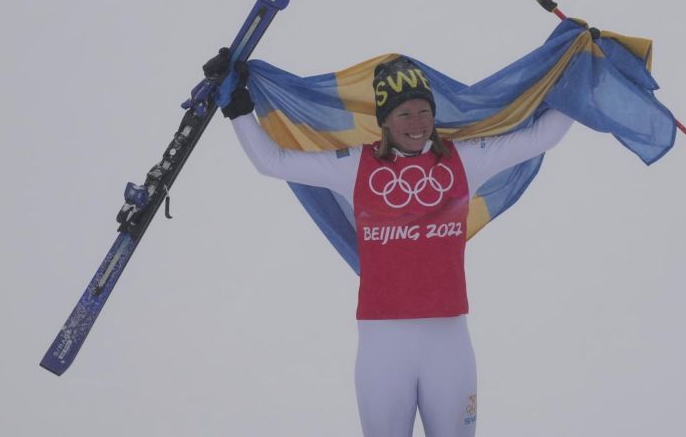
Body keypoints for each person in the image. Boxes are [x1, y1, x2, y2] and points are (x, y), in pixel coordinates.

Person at [217, 53, 574, 437]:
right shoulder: (354, 166)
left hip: (448, 343)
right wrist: (238, 107)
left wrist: (579, 72)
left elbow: (543, 137)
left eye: (424, 112)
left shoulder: (465, 160)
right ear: (384, 120)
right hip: (383, 346)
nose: (417, 124)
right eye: (404, 114)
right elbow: (272, 161)